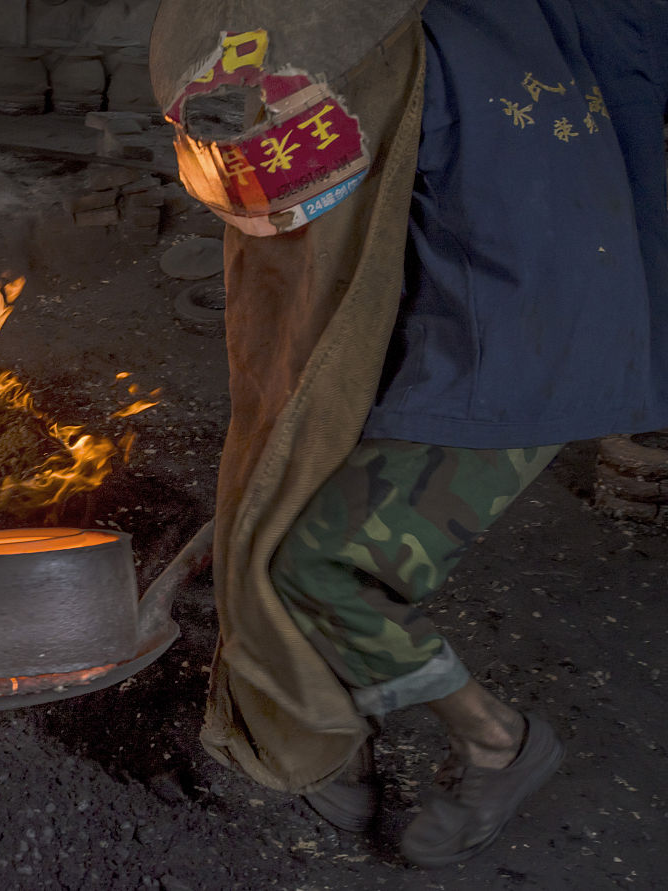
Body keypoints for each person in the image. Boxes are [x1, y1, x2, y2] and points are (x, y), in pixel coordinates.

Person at [149, 0, 668, 867]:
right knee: (315, 504)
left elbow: (295, 206)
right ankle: (338, 724)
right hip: (538, 307)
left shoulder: (380, 37)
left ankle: (498, 741)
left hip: (515, 342)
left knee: (314, 561)